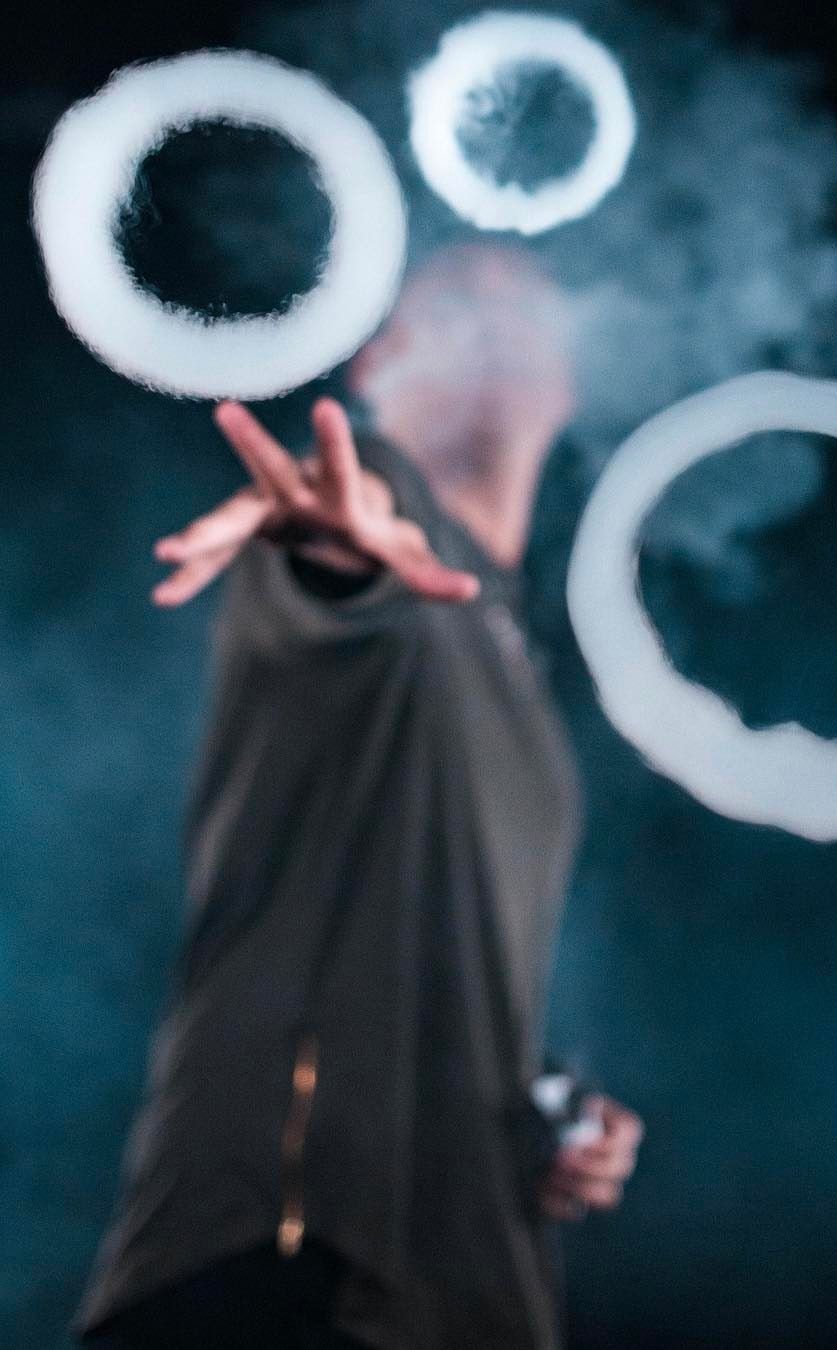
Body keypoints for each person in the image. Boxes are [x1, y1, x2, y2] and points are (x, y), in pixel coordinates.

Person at [74, 243, 643, 1350]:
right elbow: (347, 560)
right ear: (378, 364)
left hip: (471, 1283)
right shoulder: (364, 522)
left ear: (570, 382)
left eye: (531, 309)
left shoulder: (507, 643)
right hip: (287, 1260)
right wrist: (342, 550)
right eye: (460, 303)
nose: (499, 325)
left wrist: (550, 1107)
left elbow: (441, 950)